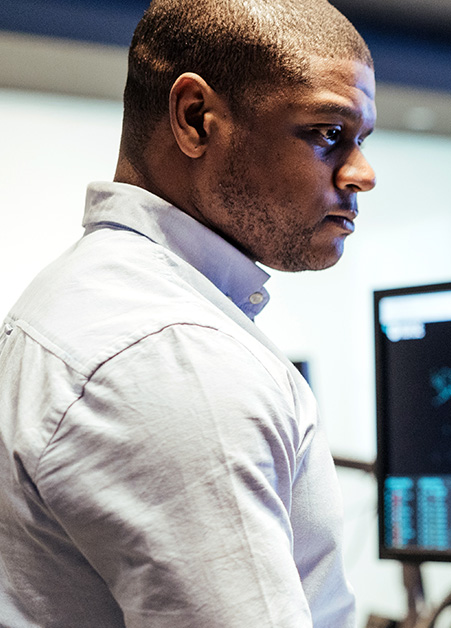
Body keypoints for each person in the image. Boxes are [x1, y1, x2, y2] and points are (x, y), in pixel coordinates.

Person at [0, 0, 376, 625]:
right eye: (327, 134)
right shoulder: (173, 355)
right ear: (196, 118)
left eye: (361, 141)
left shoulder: (90, 297)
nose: (361, 173)